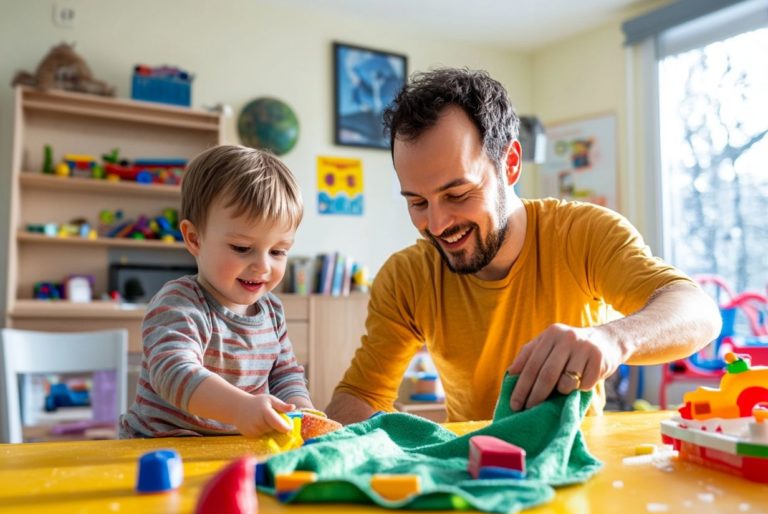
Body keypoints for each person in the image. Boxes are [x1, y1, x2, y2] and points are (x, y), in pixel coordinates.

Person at [326, 68, 722, 424]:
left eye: (458, 193)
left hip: (576, 463)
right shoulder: (406, 276)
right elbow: (361, 394)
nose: (436, 223)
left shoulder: (582, 234)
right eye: (417, 202)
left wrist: (613, 338)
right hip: (470, 470)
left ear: (510, 163)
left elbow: (698, 312)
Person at [120, 145, 314, 438]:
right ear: (194, 239)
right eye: (241, 248)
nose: (262, 266)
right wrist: (240, 408)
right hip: (160, 450)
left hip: (233, 451)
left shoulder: (272, 311)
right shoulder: (180, 303)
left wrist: (300, 410)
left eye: (278, 251)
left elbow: (284, 374)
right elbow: (173, 372)